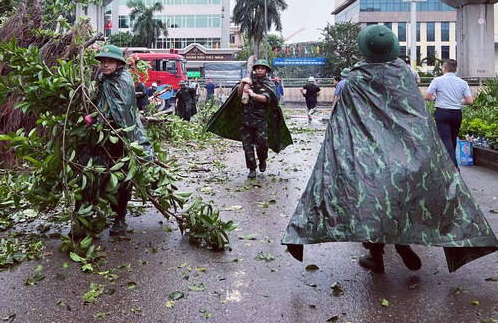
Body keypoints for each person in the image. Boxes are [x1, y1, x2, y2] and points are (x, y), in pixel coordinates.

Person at [282, 25, 497, 274]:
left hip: (370, 156)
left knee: (372, 201)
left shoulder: (354, 79)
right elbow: (418, 116)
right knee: (400, 199)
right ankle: (402, 242)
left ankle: (376, 255)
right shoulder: (405, 76)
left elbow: (344, 123)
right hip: (407, 153)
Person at [81, 44, 155, 237]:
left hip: (123, 137)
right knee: (94, 175)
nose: (105, 65)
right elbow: (101, 103)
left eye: (110, 61)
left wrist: (97, 118)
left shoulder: (123, 80)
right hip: (102, 137)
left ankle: (119, 219)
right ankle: (89, 218)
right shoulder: (102, 80)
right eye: (103, 62)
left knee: (123, 178)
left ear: (118, 63)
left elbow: (121, 110)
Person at [206, 59, 292, 179]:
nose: (260, 70)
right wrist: (243, 83)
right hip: (245, 119)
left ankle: (262, 160)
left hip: (260, 120)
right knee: (247, 146)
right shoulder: (249, 80)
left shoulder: (269, 83)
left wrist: (254, 95)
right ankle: (252, 168)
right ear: (255, 69)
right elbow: (239, 94)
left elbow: (266, 99)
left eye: (262, 68)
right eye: (258, 68)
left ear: (266, 70)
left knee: (262, 145)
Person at [424, 59, 474, 166]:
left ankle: (453, 166)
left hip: (442, 113)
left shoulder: (437, 80)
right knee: (452, 139)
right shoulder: (463, 83)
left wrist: (435, 99)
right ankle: (450, 164)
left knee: (446, 140)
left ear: (444, 68)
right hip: (456, 114)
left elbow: (427, 96)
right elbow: (469, 101)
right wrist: (460, 101)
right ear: (455, 69)